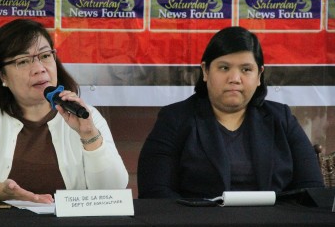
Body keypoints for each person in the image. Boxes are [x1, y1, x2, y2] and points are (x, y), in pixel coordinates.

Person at [0, 19, 128, 204]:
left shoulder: (86, 115)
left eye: (45, 56)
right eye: (23, 61)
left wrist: (89, 135)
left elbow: (113, 192)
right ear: (2, 75)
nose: (39, 69)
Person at [137, 26, 324, 199]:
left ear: (259, 75)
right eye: (224, 68)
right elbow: (155, 192)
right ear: (205, 71)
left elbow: (312, 189)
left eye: (246, 69)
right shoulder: (174, 119)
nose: (234, 79)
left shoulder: (281, 118)